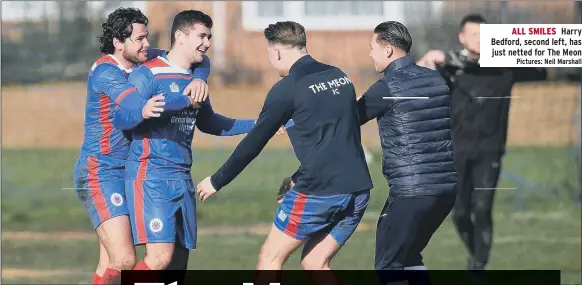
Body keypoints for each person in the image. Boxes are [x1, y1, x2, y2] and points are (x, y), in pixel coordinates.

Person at [196, 21, 373, 283]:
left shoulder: (287, 88)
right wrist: (298, 177)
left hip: (320, 192)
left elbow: (253, 143)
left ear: (277, 52)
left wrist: (217, 180)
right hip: (359, 189)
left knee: (270, 257)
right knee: (315, 262)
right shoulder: (340, 76)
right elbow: (336, 139)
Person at [112, 9, 274, 272]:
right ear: (181, 36)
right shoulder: (147, 75)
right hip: (151, 176)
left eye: (209, 36)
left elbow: (209, 122)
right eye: (202, 36)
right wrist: (143, 111)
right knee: (159, 259)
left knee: (177, 266)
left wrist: (259, 126)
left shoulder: (196, 78)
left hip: (182, 177)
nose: (207, 42)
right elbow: (120, 117)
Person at [72, 7, 210, 284]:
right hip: (101, 169)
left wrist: (199, 79)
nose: (147, 44)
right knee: (124, 260)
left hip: (130, 170)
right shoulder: (105, 72)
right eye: (139, 39)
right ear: (118, 43)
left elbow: (198, 58)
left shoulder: (145, 57)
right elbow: (137, 107)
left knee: (112, 263)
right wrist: (189, 99)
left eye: (147, 37)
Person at [417, 14, 547, 271]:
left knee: (482, 208)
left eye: (482, 34)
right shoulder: (450, 67)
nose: (477, 39)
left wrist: (532, 45)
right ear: (461, 37)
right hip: (457, 149)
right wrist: (428, 60)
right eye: (473, 34)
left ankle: (478, 265)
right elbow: (419, 81)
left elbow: (541, 69)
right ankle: (476, 255)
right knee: (461, 212)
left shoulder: (505, 65)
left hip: (490, 149)